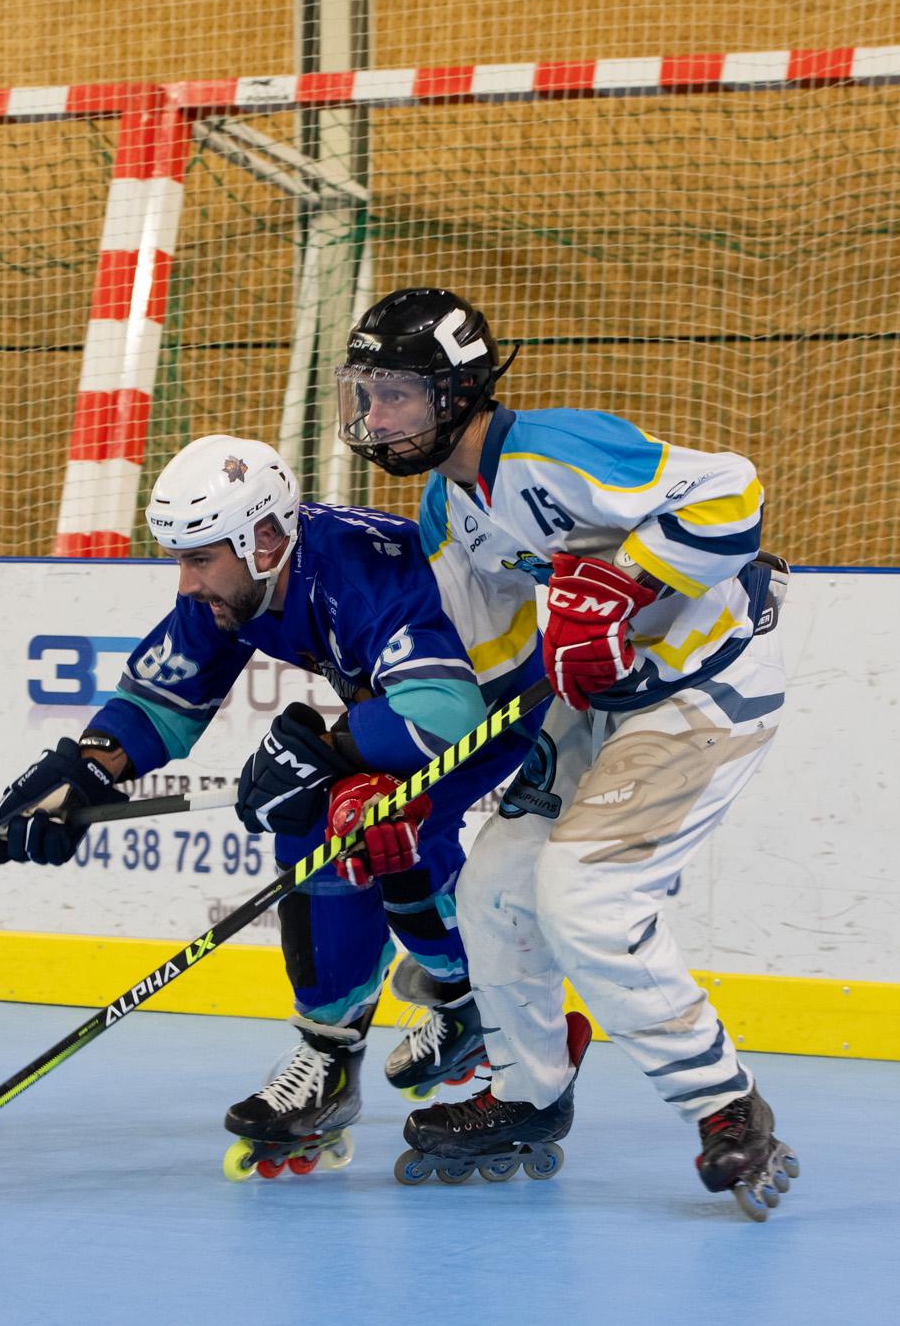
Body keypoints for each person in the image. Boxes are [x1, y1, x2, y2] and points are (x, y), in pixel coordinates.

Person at [335, 286, 800, 1218]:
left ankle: (725, 1104)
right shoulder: (444, 509)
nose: (375, 417)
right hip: (592, 705)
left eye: (396, 394)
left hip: (702, 691)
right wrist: (407, 781)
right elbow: (494, 679)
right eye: (366, 394)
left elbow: (733, 491)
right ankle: (528, 1094)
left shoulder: (552, 450)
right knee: (490, 890)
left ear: (458, 393)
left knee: (584, 896)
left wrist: (618, 585)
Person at [0, 433, 537, 1181]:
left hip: (501, 706)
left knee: (336, 820)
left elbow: (447, 710)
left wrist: (331, 752)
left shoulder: (358, 573)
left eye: (198, 558)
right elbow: (165, 692)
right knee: (348, 817)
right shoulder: (242, 579)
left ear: (264, 537)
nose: (186, 583)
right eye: (180, 558)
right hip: (419, 706)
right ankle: (458, 1000)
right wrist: (82, 771)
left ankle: (344, 1055)